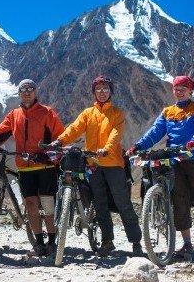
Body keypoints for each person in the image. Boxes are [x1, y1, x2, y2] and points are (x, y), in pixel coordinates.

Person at [126, 75, 194, 260]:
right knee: (179, 201)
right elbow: (156, 131)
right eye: (176, 88)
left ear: (191, 90)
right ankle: (187, 244)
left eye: (184, 88)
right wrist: (139, 145)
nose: (179, 91)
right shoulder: (167, 112)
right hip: (174, 161)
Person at [50, 76, 143, 257]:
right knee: (99, 203)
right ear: (94, 92)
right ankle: (107, 241)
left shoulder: (117, 113)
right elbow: (75, 128)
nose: (102, 92)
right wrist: (60, 141)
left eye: (105, 89)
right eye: (98, 89)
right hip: (93, 164)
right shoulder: (88, 113)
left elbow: (116, 134)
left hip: (113, 163)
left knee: (123, 203)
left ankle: (136, 241)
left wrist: (107, 149)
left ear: (111, 92)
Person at [0, 79, 64, 257]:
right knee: (31, 204)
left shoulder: (47, 112)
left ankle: (52, 241)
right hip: (25, 168)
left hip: (45, 166)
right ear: (19, 93)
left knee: (48, 205)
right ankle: (39, 243)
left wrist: (49, 153)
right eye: (23, 90)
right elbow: (1, 132)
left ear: (35, 92)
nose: (27, 92)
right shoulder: (14, 115)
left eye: (30, 89)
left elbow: (60, 138)